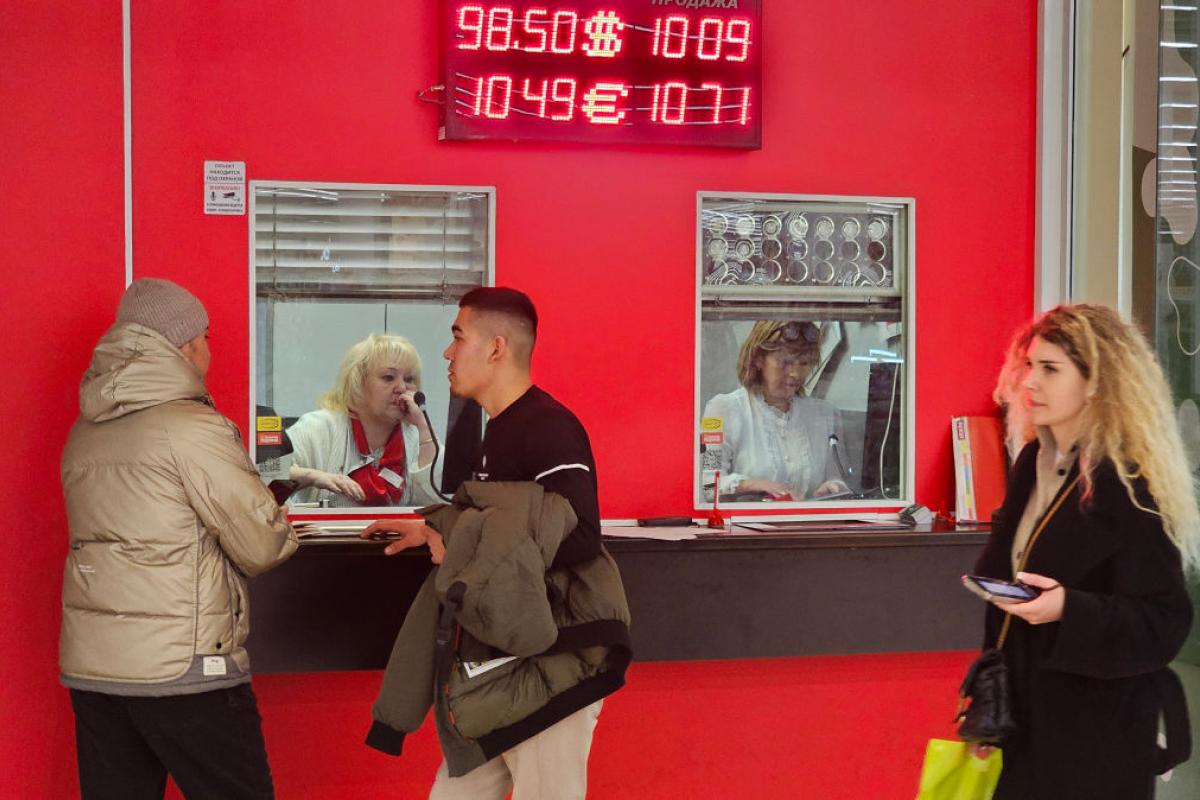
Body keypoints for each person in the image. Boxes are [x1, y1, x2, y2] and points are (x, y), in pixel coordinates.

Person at [361, 287, 631, 799]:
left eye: (458, 337)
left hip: (557, 664)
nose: (447, 353)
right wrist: (434, 528)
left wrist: (463, 550)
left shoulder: (548, 427)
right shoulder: (497, 431)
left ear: (496, 348)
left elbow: (579, 536)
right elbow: (497, 522)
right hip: (502, 667)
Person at [60, 278, 299, 799]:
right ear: (185, 344)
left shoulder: (86, 430)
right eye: (206, 336)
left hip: (96, 670)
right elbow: (262, 545)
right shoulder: (192, 428)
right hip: (184, 665)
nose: (210, 349)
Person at [975, 303, 1199, 799]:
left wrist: (1068, 608)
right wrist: (990, 702)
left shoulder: (1130, 481)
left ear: (1097, 381)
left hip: (1100, 735)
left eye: (1050, 369)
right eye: (1029, 365)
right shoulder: (1032, 461)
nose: (1029, 382)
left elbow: (1163, 621)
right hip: (1028, 724)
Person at [285, 333, 438, 507]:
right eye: (388, 377)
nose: (402, 387)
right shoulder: (319, 427)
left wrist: (423, 428)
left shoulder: (417, 435)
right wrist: (314, 477)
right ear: (358, 382)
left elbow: (437, 504)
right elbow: (266, 475)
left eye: (409, 379)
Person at [703, 320, 848, 500]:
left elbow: (840, 479)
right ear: (758, 359)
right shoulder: (721, 409)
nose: (795, 373)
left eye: (804, 363)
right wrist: (754, 485)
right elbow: (708, 485)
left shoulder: (826, 414)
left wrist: (833, 487)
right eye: (784, 362)